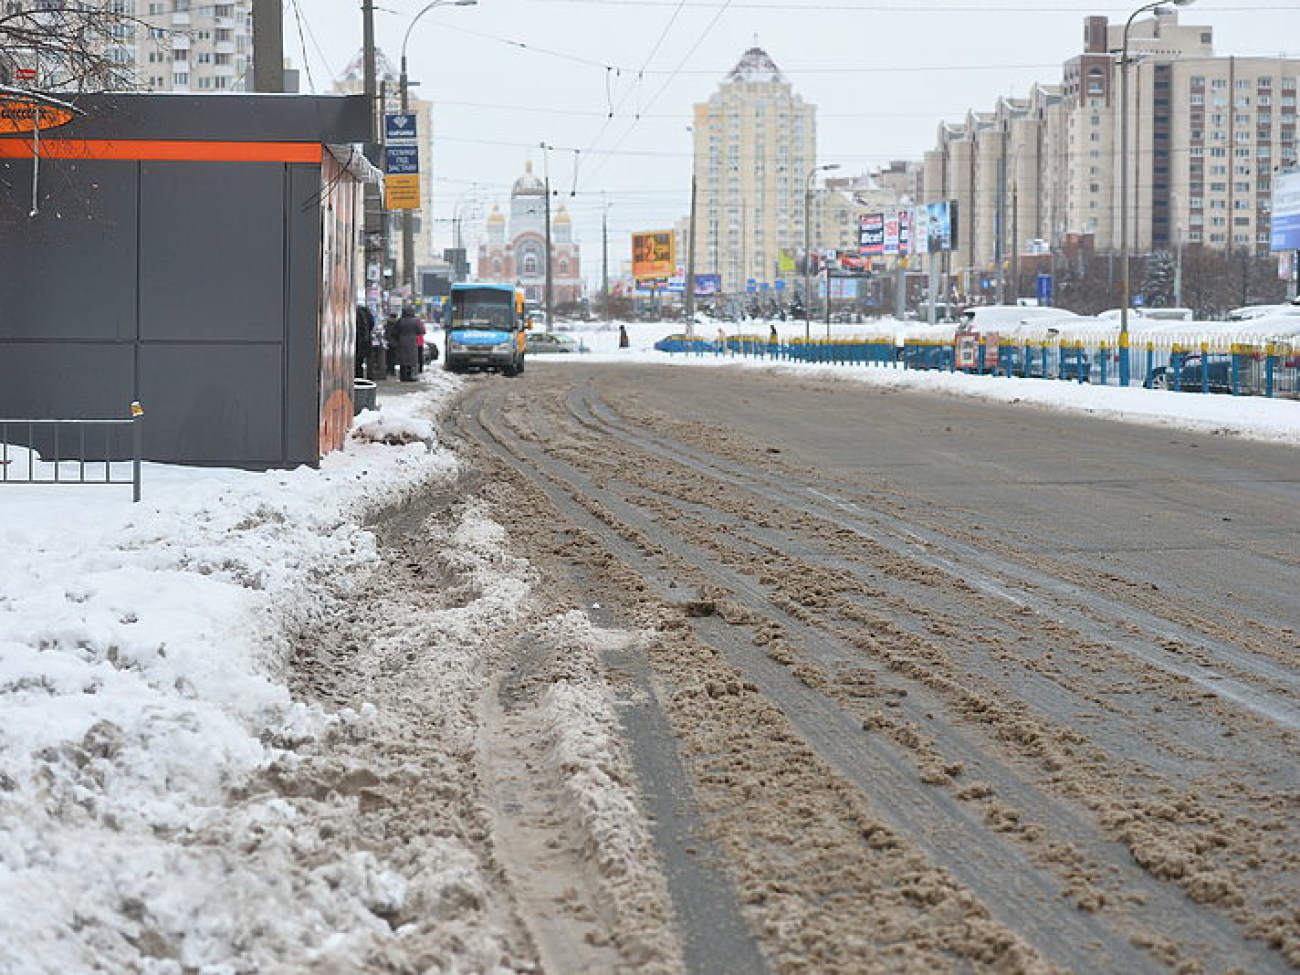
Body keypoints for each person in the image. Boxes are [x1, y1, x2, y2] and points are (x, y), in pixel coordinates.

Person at [395, 306, 424, 382]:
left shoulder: (400, 321)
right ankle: (411, 376)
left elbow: (395, 331)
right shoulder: (416, 321)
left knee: (403, 360)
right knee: (412, 359)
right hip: (412, 341)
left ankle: (403, 376)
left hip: (402, 341)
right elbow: (421, 331)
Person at [354, 304, 375, 378]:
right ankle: (367, 376)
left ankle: (357, 376)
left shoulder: (355, 313)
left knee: (357, 360)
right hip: (365, 340)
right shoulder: (367, 314)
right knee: (363, 359)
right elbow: (372, 324)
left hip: (357, 340)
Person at [384, 313, 400, 377]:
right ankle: (392, 371)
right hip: (394, 342)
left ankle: (388, 370)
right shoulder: (397, 324)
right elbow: (397, 333)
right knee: (393, 357)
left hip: (388, 342)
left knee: (388, 357)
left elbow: (386, 333)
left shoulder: (387, 324)